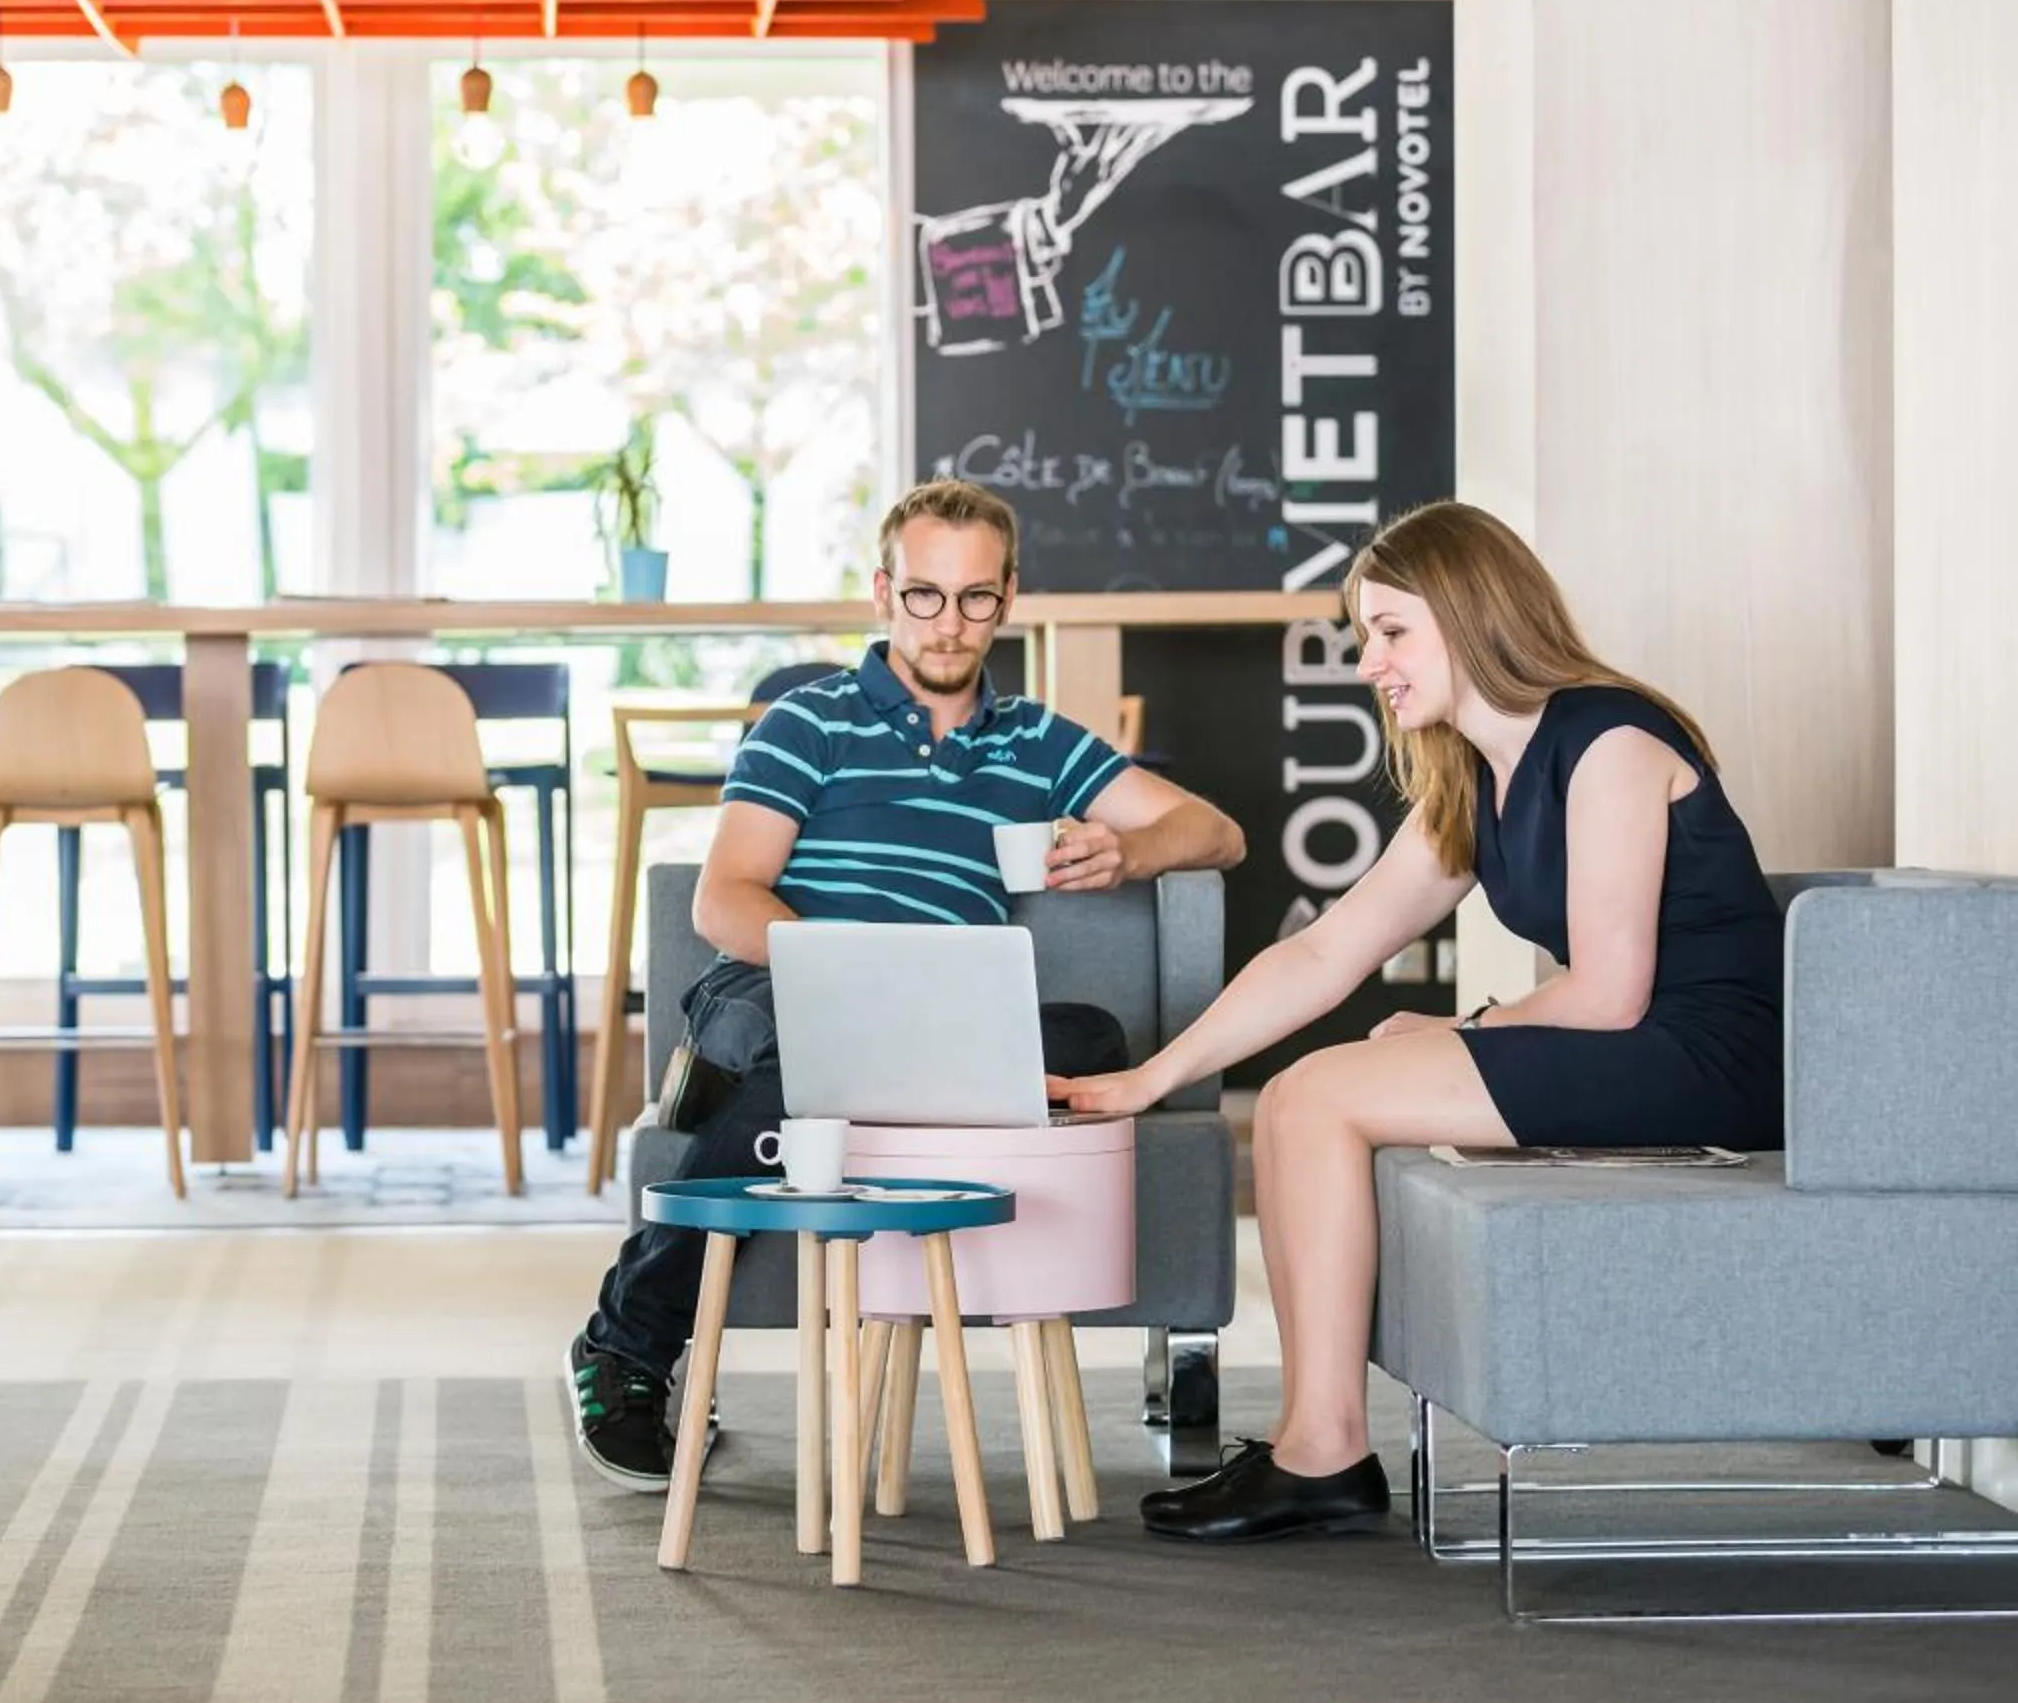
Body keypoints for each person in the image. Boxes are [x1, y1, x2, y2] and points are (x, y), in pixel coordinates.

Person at [1056, 501, 1786, 1543]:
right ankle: (1320, 1441)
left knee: (1318, 1095)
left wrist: (1469, 1028)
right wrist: (1149, 1076)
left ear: (1472, 611)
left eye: (1391, 631)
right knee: (1308, 1094)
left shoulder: (1609, 735)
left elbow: (1612, 993)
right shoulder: (1469, 779)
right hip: (1640, 1045)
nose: (1370, 664)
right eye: (1366, 638)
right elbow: (1324, 950)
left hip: (1714, 1058)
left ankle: (1325, 1451)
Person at [569, 477, 1249, 1492]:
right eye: (926, 595)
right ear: (884, 593)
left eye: (975, 597)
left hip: (939, 1009)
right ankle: (628, 1342)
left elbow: (1219, 830)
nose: (949, 623)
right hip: (781, 985)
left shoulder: (1033, 739)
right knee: (804, 1051)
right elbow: (724, 900)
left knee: (1090, 1037)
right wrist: (839, 974)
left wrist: (1128, 851)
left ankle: (794, 1102)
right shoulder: (809, 722)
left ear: (1008, 597)